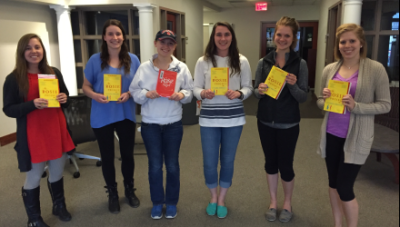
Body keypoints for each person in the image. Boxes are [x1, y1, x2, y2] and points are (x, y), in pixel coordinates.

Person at [317, 23, 391, 227]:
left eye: (352, 41)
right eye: (343, 41)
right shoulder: (330, 69)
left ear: (361, 44)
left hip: (357, 137)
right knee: (333, 184)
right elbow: (320, 103)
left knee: (344, 187)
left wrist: (356, 106)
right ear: (338, 45)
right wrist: (324, 99)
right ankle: (337, 224)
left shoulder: (375, 69)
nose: (347, 45)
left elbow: (385, 105)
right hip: (332, 133)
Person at [3, 33, 74, 227]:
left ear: (42, 50)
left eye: (37, 47)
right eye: (28, 48)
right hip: (34, 134)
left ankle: (59, 206)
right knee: (34, 176)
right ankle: (33, 218)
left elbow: (66, 96)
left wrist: (64, 98)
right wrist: (31, 104)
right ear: (21, 52)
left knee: (57, 172)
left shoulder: (53, 72)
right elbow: (8, 109)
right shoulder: (14, 78)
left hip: (56, 130)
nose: (34, 52)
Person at [130, 29, 193, 220]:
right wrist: (146, 94)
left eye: (170, 43)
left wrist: (181, 95)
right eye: (162, 42)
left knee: (172, 165)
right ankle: (157, 202)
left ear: (175, 46)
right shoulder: (144, 68)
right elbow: (134, 91)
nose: (166, 46)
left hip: (173, 124)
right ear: (156, 43)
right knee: (155, 166)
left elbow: (189, 91)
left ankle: (172, 202)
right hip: (151, 125)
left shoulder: (181, 67)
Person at [193, 22, 253, 219]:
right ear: (213, 37)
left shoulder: (242, 61)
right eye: (219, 34)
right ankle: (212, 196)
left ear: (232, 37)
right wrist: (203, 92)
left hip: (233, 119)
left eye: (226, 34)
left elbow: (248, 88)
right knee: (210, 162)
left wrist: (238, 93)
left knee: (227, 161)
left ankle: (222, 199)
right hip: (209, 119)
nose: (223, 38)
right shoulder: (203, 61)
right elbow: (195, 88)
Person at [82, 19, 141, 214]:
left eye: (118, 34)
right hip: (102, 114)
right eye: (110, 34)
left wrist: (130, 94)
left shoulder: (133, 59)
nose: (115, 37)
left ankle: (129, 190)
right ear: (104, 37)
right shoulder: (94, 60)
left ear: (123, 37)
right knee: (107, 157)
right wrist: (95, 95)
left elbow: (139, 86)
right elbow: (86, 86)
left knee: (127, 156)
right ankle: (113, 193)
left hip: (125, 113)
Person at [254, 16, 309, 223]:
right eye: (279, 34)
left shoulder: (300, 63)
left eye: (287, 35)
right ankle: (273, 202)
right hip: (265, 121)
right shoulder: (264, 62)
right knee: (270, 163)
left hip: (289, 123)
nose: (282, 39)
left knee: (285, 165)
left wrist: (293, 85)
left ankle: (287, 203)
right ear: (273, 35)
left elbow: (304, 97)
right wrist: (259, 90)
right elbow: (256, 91)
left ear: (293, 38)